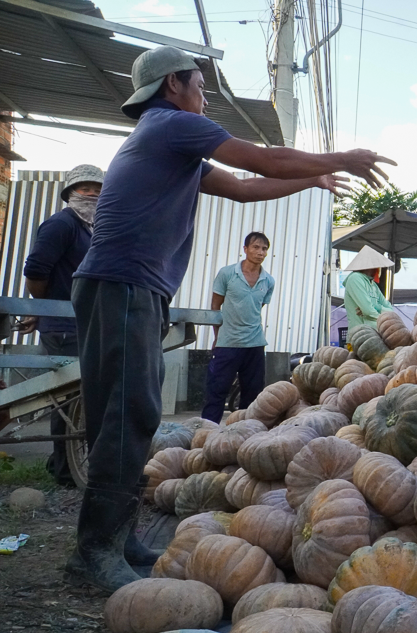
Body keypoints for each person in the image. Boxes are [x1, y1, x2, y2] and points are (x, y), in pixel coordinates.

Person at [67, 45, 394, 592]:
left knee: (126, 412)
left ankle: (115, 539)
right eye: (199, 84)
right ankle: (93, 553)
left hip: (126, 286)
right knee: (128, 412)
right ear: (174, 84)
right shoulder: (170, 125)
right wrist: (337, 159)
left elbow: (244, 189)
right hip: (121, 284)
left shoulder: (169, 143)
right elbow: (260, 160)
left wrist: (311, 181)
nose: (204, 95)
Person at [19, 164, 104, 486]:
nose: (92, 194)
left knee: (80, 398)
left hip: (85, 323)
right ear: (70, 193)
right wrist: (43, 309)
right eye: (85, 189)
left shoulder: (93, 228)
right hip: (63, 325)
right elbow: (37, 270)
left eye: (98, 189)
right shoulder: (62, 223)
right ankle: (67, 471)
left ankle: (60, 463)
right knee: (69, 399)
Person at [200, 231, 275, 423]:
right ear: (245, 249)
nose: (260, 252)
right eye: (256, 247)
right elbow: (216, 306)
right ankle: (206, 434)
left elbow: (256, 309)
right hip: (228, 343)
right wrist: (218, 335)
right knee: (216, 391)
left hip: (255, 344)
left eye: (264, 248)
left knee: (252, 396)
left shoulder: (268, 281)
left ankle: (243, 435)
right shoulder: (227, 274)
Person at [343, 245, 395, 328]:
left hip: (375, 334)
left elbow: (391, 310)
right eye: (377, 265)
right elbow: (368, 311)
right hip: (359, 337)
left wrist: (375, 306)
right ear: (370, 266)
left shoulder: (373, 284)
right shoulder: (355, 279)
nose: (379, 268)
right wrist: (385, 319)